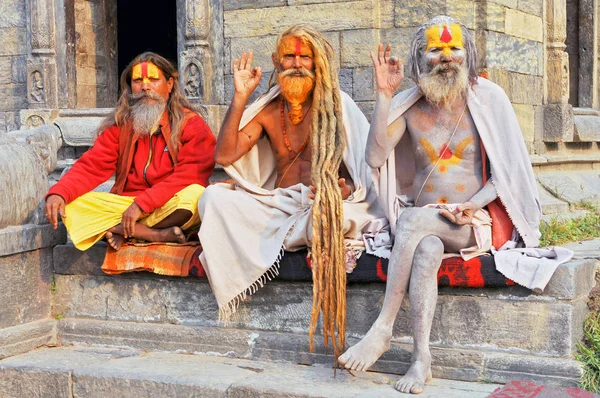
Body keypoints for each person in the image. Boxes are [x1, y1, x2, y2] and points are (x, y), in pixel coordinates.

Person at [337, 15, 562, 394]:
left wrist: (473, 205)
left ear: (468, 55)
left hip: (475, 222)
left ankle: (383, 328)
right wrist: (384, 96)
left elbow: (508, 172)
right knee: (425, 246)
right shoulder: (410, 107)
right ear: (419, 59)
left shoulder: (488, 100)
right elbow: (374, 158)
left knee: (410, 221)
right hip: (427, 226)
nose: (446, 57)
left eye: (454, 48)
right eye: (435, 50)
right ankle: (421, 359)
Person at [198, 24, 390, 360]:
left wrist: (339, 191)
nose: (297, 63)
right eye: (289, 56)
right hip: (282, 204)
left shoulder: (337, 106)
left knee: (331, 216)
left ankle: (314, 233)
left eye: (305, 57)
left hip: (327, 203)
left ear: (318, 64)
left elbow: (364, 174)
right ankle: (308, 237)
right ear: (276, 60)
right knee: (212, 198)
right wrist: (241, 96)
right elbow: (224, 156)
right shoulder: (269, 109)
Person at [45, 52, 216, 251]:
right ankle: (150, 233)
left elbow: (190, 175)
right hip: (127, 205)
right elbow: (92, 165)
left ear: (169, 85)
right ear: (130, 88)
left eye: (153, 79)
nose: (145, 87)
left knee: (195, 196)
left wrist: (142, 205)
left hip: (168, 203)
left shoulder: (190, 123)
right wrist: (59, 193)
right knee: (73, 207)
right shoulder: (122, 126)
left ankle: (125, 231)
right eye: (137, 81)